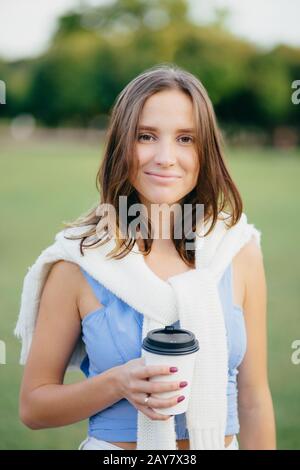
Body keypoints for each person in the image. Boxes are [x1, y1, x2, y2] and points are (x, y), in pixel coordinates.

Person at [16, 64, 276, 450]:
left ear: (207, 149)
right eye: (146, 136)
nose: (166, 157)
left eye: (186, 138)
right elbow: (34, 407)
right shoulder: (79, 261)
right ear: (122, 143)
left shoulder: (237, 250)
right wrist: (118, 382)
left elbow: (253, 399)